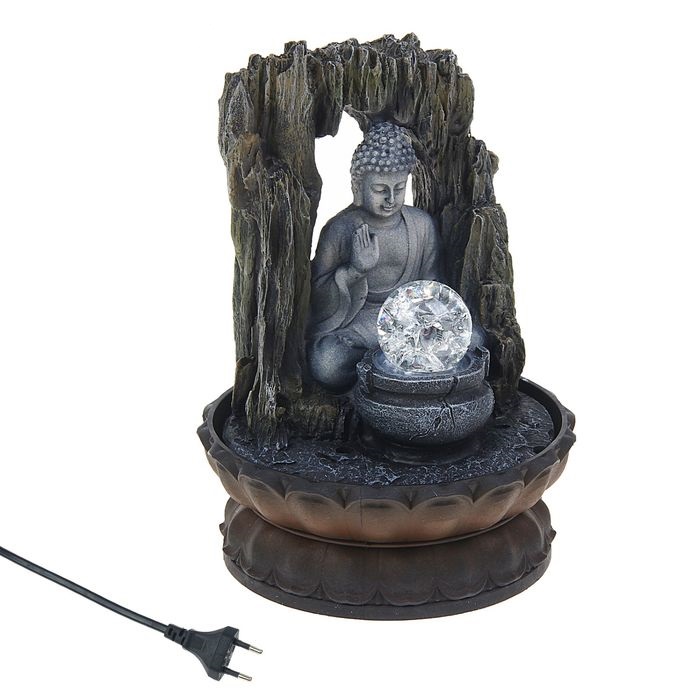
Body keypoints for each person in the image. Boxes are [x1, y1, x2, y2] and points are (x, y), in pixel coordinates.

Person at [307, 122, 443, 392]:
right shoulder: (340, 230)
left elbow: (433, 285)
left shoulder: (422, 225)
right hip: (360, 325)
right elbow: (315, 298)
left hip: (408, 322)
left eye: (399, 188)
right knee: (327, 362)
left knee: (475, 339)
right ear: (359, 187)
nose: (391, 198)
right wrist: (355, 271)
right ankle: (394, 375)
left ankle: (387, 373)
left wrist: (427, 319)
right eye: (380, 190)